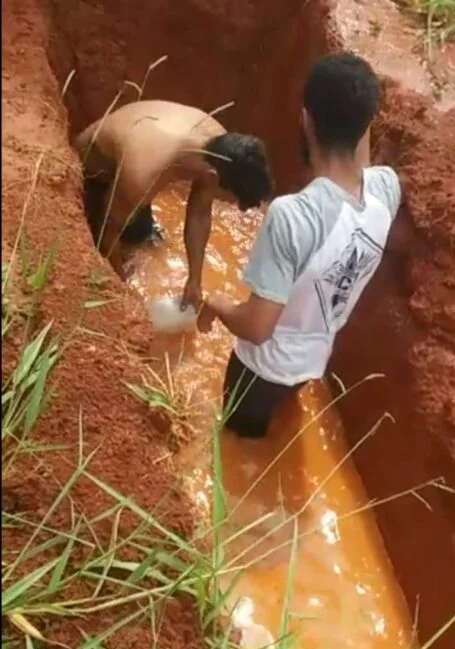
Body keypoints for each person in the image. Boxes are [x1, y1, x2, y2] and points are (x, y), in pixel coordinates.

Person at [199, 52, 405, 439]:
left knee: (236, 441)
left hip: (258, 372)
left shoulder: (292, 216)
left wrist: (216, 303)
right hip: (313, 363)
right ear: (367, 125)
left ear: (306, 119)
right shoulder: (387, 190)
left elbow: (257, 329)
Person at [75, 100, 273, 310]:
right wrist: (125, 295)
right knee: (120, 240)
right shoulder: (144, 175)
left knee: (144, 237)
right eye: (231, 200)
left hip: (130, 160)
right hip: (93, 172)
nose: (232, 205)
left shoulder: (218, 146)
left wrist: (194, 281)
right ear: (213, 178)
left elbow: (200, 213)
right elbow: (108, 234)